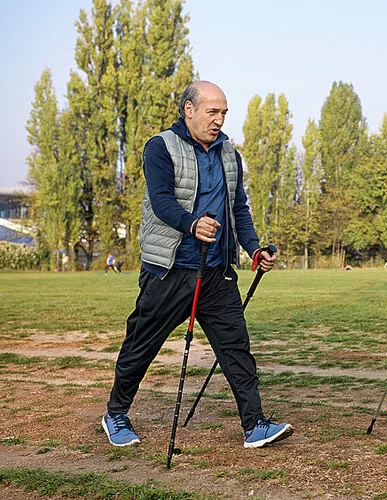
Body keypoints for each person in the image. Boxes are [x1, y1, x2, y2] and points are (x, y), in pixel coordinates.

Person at [102, 81, 293, 449]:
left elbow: (239, 210)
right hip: (169, 270)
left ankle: (254, 425)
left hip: (218, 272)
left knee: (236, 348)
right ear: (189, 110)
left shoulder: (229, 154)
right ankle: (116, 413)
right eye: (212, 112)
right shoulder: (160, 147)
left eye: (223, 113)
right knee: (141, 345)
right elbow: (160, 201)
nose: (219, 120)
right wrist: (191, 223)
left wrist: (254, 249)